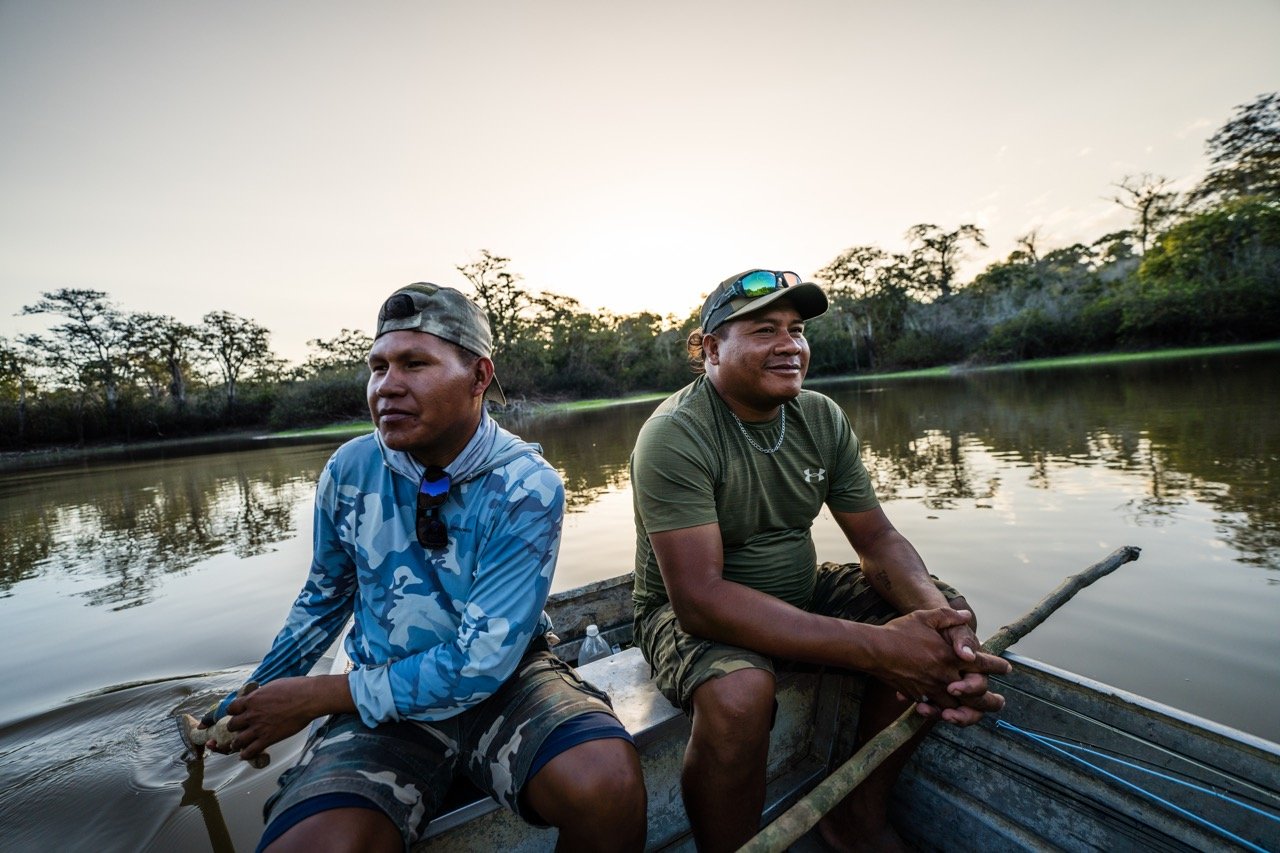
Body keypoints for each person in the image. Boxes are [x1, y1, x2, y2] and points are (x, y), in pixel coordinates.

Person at [202, 283, 646, 853]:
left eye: (415, 364)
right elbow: (321, 603)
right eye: (378, 366)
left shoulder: (525, 487)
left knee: (606, 782)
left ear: (479, 377)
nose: (388, 386)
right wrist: (250, 698)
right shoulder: (351, 470)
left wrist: (317, 697)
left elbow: (482, 661)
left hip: (506, 686)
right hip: (380, 695)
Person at [629, 269, 1012, 853]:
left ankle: (856, 816)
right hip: (686, 612)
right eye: (764, 330)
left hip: (802, 589)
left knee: (942, 614)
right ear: (710, 349)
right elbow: (700, 599)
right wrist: (882, 647)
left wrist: (947, 635)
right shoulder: (675, 433)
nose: (790, 346)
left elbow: (877, 539)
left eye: (797, 330)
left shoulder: (821, 416)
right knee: (739, 694)